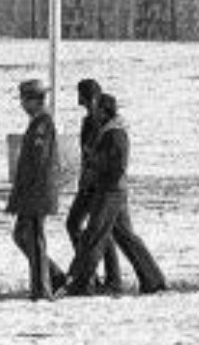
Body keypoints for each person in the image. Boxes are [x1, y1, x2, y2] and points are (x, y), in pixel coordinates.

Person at [64, 91, 167, 296]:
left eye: (97, 108)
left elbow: (117, 165)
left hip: (110, 191)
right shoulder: (108, 130)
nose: (94, 112)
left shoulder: (115, 133)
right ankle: (153, 279)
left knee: (95, 235)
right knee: (124, 236)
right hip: (111, 190)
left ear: (104, 110)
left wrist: (96, 164)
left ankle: (81, 283)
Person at [5, 77, 72, 300]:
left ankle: (42, 289)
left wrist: (29, 193)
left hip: (36, 192)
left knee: (33, 238)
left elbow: (39, 162)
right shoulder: (37, 122)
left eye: (25, 100)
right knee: (23, 236)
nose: (22, 105)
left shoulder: (43, 123)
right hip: (31, 192)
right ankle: (55, 277)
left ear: (35, 100)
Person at [65, 77, 123, 295]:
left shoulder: (107, 123)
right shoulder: (87, 122)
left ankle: (102, 277)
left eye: (83, 97)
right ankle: (93, 274)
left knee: (102, 230)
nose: (82, 102)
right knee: (77, 225)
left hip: (103, 184)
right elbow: (85, 153)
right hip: (88, 182)